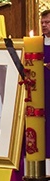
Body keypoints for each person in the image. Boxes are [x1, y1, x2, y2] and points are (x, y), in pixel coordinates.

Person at [42, 10, 50, 159]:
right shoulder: (38, 42)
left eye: (47, 22)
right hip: (41, 89)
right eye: (42, 22)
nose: (43, 25)